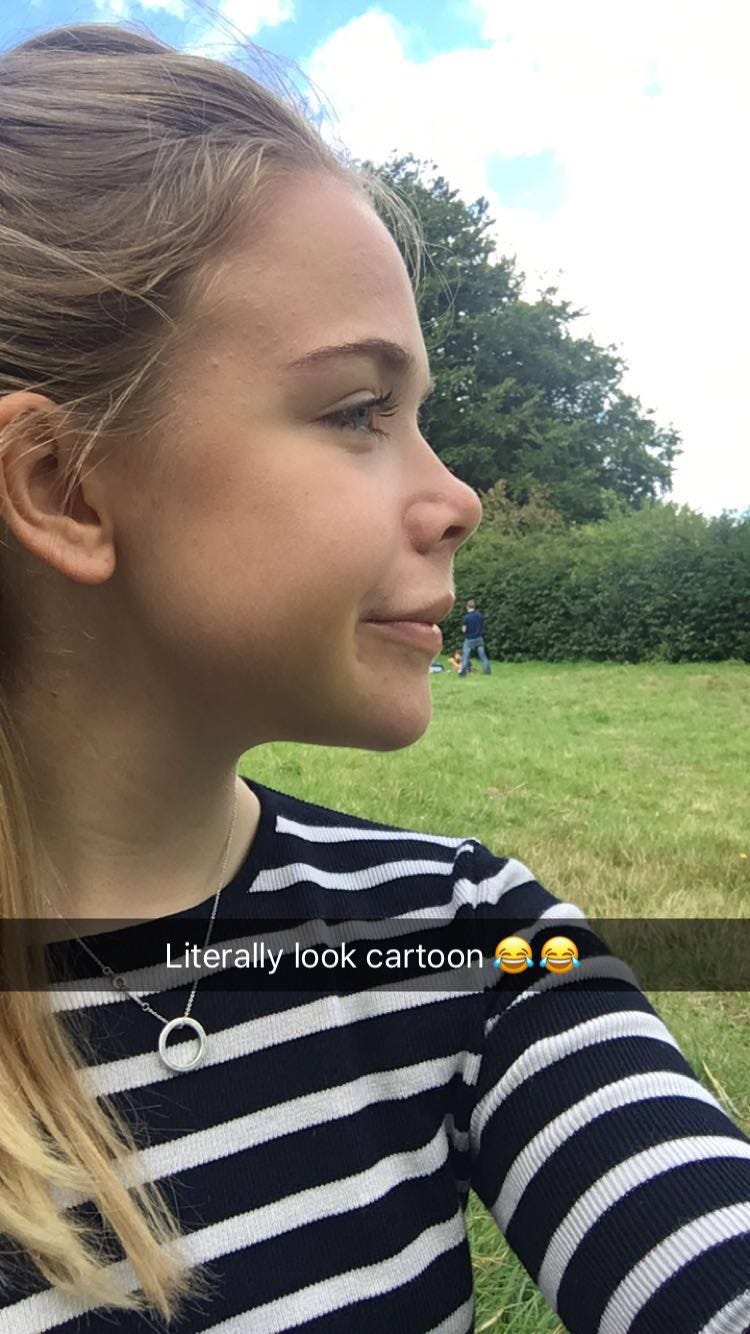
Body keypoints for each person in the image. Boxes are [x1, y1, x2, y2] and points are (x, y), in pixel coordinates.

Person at [0, 20, 748, 1334]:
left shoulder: (464, 934)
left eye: (420, 417)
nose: (458, 498)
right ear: (64, 487)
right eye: (358, 411)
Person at [459, 597, 492, 676]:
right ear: (474, 606)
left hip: (469, 639)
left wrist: (464, 628)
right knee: (483, 656)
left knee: (466, 656)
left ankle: (463, 673)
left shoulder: (466, 617)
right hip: (479, 638)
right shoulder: (480, 615)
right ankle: (487, 671)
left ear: (467, 606)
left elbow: (464, 630)